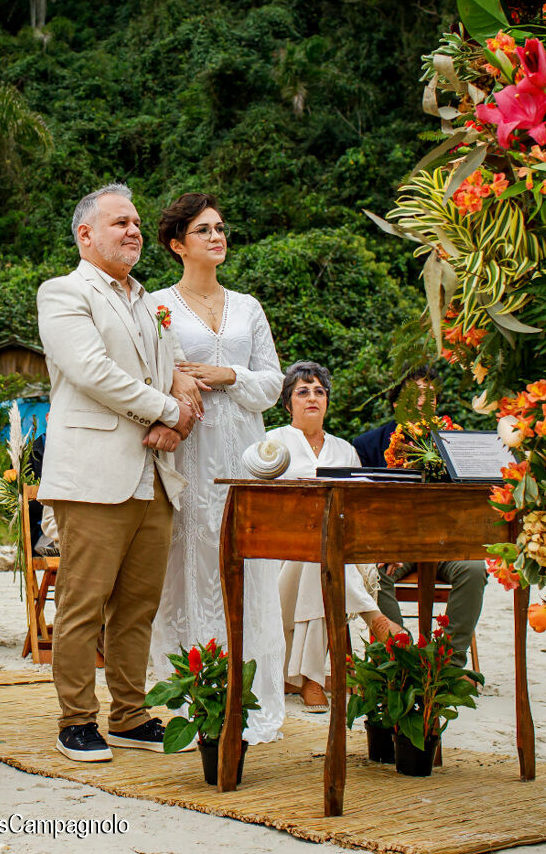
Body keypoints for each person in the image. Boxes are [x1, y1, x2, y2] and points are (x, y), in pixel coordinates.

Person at [36, 182, 203, 763]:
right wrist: (164, 410)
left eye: (136, 222)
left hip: (156, 473)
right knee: (83, 603)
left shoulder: (150, 302)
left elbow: (175, 371)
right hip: (92, 473)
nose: (134, 231)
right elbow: (91, 371)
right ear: (86, 234)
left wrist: (177, 423)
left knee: (138, 605)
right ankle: (75, 721)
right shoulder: (63, 293)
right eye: (119, 223)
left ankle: (130, 714)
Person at [148, 193, 287, 744]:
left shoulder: (249, 306)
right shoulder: (157, 304)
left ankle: (249, 696)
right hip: (187, 446)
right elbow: (152, 371)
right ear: (178, 243)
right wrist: (179, 381)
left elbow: (272, 383)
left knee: (246, 565)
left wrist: (227, 373)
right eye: (203, 230)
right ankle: (190, 698)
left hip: (245, 453)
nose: (216, 237)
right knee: (187, 564)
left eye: (221, 228)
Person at [270, 361, 396, 712]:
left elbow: (360, 508)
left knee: (323, 559)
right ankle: (373, 618)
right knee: (320, 556)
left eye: (319, 391)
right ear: (287, 403)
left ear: (327, 401)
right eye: (302, 391)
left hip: (333, 552)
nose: (312, 397)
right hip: (281, 552)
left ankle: (311, 680)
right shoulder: (271, 443)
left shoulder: (345, 450)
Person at [354, 367, 488, 670]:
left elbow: (466, 502)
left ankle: (449, 665)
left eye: (430, 394)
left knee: (474, 568)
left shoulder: (454, 441)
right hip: (393, 545)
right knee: (373, 573)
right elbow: (363, 506)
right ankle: (400, 659)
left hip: (443, 542)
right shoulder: (367, 445)